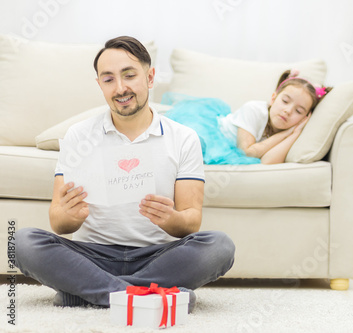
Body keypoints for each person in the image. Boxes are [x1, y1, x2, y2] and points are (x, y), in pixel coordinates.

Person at [13, 36, 235, 311]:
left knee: (220, 246)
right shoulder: (78, 136)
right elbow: (58, 223)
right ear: (100, 85)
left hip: (156, 256)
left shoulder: (183, 138)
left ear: (150, 77)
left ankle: (89, 293)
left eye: (129, 75)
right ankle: (148, 297)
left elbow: (191, 222)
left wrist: (171, 219)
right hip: (93, 255)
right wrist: (69, 216)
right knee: (22, 242)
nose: (120, 88)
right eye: (108, 80)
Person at [163, 69, 332, 165]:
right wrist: (285, 134)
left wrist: (295, 134)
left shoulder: (291, 129)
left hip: (228, 146)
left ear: (305, 118)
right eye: (285, 101)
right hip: (212, 131)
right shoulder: (254, 110)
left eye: (299, 111)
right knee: (182, 141)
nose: (288, 111)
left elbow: (267, 162)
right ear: (273, 98)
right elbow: (247, 151)